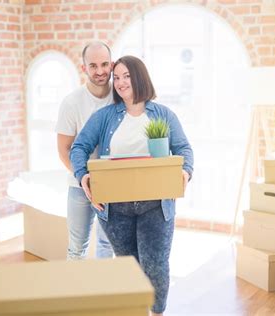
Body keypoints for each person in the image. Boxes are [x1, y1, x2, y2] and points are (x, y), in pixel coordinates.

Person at [70, 55, 194, 316]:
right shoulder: (105, 117)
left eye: (127, 76)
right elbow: (79, 147)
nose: (121, 82)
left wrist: (185, 171)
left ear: (140, 77)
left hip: (156, 206)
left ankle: (158, 312)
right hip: (115, 209)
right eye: (117, 77)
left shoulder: (163, 114)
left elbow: (183, 148)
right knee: (131, 268)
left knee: (156, 265)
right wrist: (82, 175)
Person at [55, 42, 114, 260]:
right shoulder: (71, 103)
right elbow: (63, 150)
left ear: (112, 64)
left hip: (113, 185)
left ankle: (104, 293)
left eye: (105, 64)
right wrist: (84, 181)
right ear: (84, 68)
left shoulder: (120, 97)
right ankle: (77, 293)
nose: (100, 71)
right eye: (93, 65)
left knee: (107, 246)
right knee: (77, 248)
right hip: (80, 185)